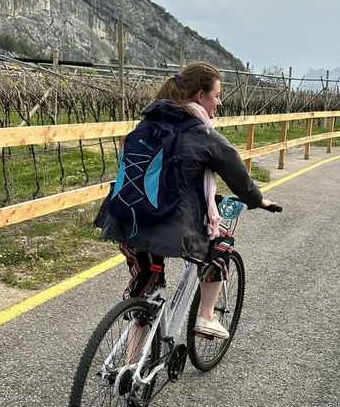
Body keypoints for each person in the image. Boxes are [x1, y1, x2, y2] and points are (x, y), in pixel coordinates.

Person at [97, 61, 277, 343]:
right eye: (216, 95)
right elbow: (237, 174)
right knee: (222, 241)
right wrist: (257, 200)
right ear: (199, 96)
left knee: (148, 291)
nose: (219, 102)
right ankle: (206, 316)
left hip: (125, 221)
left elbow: (173, 179)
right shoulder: (201, 133)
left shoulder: (149, 121)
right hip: (165, 225)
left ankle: (129, 369)